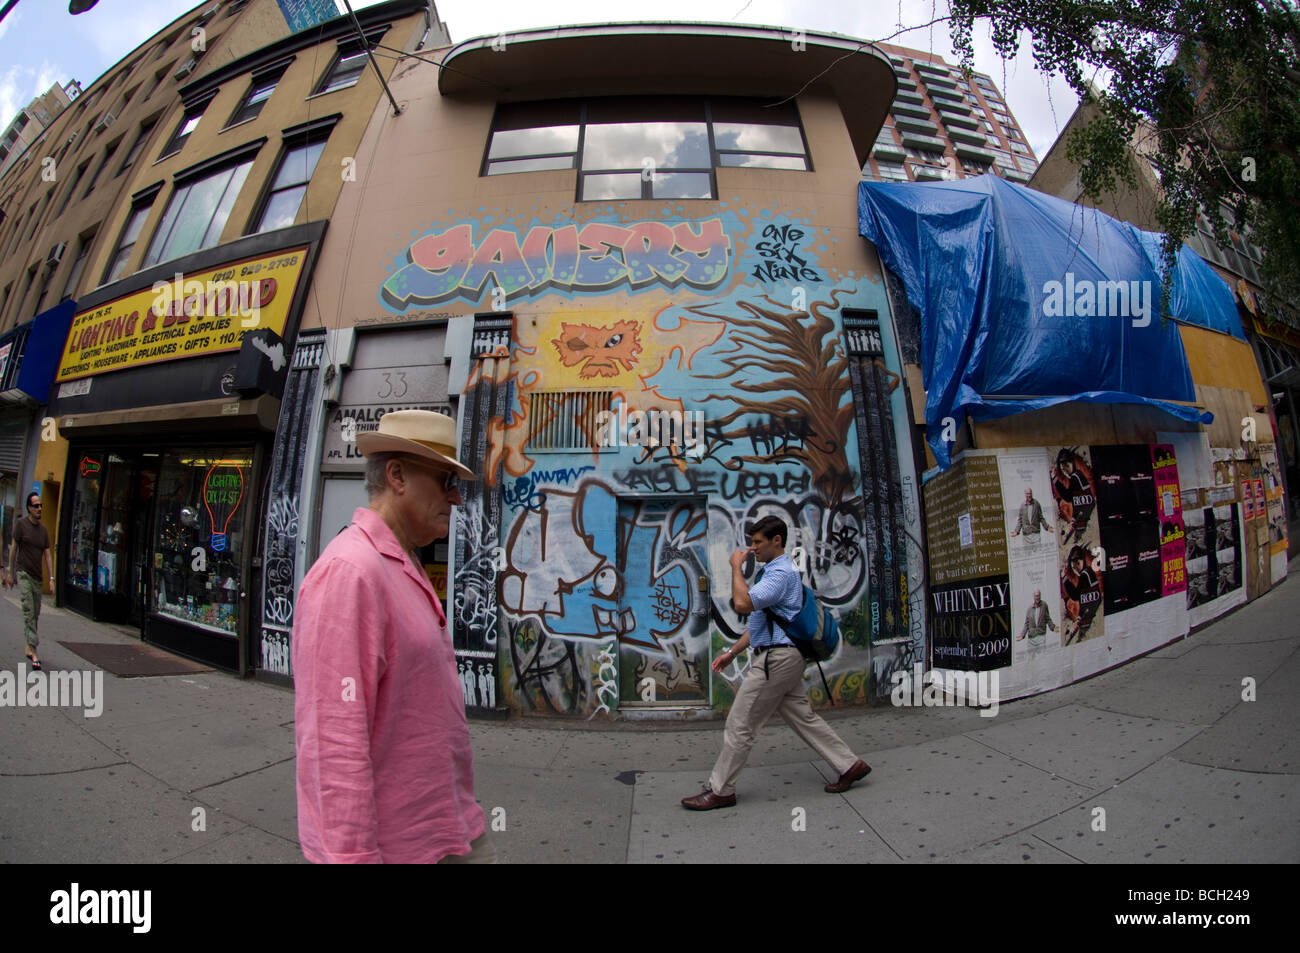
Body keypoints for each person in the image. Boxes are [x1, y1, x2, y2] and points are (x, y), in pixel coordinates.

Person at [293, 410, 492, 863]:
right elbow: (333, 744)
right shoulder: (351, 571)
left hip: (450, 828)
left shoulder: (401, 562)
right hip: (402, 848)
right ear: (398, 475)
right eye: (445, 480)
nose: (457, 498)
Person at [682, 515, 870, 810]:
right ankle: (849, 765)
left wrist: (734, 568)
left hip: (776, 660)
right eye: (752, 542)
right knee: (802, 717)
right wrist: (731, 652)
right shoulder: (772, 573)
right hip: (782, 656)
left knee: (740, 724)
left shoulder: (780, 573)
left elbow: (742, 604)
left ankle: (721, 790)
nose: (752, 547)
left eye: (758, 542)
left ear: (777, 541)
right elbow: (759, 624)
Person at [4, 492, 53, 670]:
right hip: (23, 574)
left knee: (35, 614)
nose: (40, 508)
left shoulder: (43, 531)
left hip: (37, 578)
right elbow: (14, 549)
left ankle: (28, 645)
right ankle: (34, 651)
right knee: (28, 611)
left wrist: (52, 578)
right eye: (36, 506)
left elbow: (47, 555)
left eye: (41, 505)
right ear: (29, 508)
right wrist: (10, 573)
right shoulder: (21, 525)